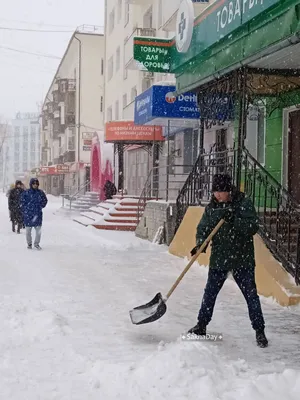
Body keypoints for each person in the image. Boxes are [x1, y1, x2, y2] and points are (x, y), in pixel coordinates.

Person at [189, 174, 268, 348]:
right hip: (219, 258)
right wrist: (200, 243)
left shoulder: (243, 204)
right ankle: (201, 325)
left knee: (251, 296)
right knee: (209, 293)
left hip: (242, 259)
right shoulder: (212, 208)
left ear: (229, 190)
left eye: (221, 191)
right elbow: (204, 228)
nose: (217, 194)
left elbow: (252, 227)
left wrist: (235, 220)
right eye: (215, 191)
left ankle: (259, 330)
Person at [21, 178, 48, 250]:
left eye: (36, 183)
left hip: (37, 215)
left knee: (38, 232)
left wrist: (41, 206)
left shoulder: (40, 193)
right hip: (28, 215)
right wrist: (26, 209)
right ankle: (29, 244)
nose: (35, 185)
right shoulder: (26, 193)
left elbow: (45, 200)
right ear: (31, 184)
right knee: (28, 232)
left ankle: (36, 244)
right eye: (34, 183)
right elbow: (22, 202)